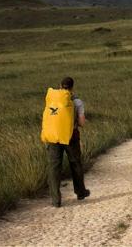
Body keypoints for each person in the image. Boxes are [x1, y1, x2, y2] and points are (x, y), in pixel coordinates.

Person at [43, 77, 91, 207]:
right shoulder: (77, 102)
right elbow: (81, 123)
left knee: (54, 167)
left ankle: (56, 200)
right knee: (75, 163)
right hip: (71, 136)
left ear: (60, 86)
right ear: (72, 87)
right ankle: (80, 192)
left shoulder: (52, 98)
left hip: (53, 136)